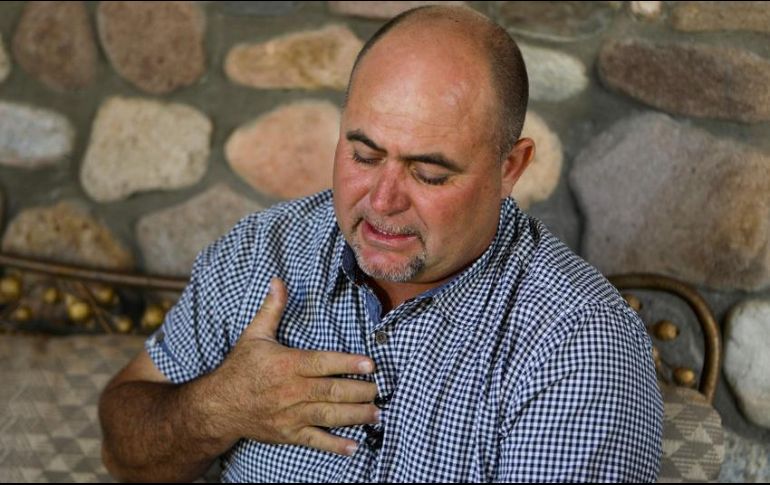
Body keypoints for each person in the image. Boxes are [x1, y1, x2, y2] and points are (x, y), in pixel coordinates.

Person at [99, 5, 662, 482]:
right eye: (364, 155)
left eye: (430, 173)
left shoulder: (578, 345)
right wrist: (220, 407)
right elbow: (122, 451)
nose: (383, 201)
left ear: (509, 167)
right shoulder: (262, 250)